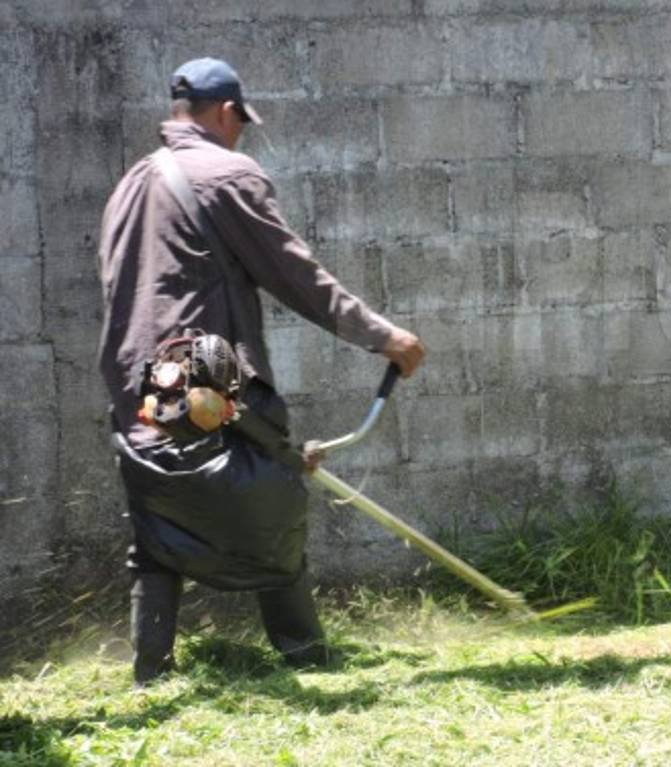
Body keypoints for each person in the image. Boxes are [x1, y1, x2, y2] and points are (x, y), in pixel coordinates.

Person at [97, 57, 425, 685]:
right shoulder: (226, 174)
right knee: (273, 497)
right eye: (240, 122)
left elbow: (117, 291)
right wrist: (383, 337)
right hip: (203, 377)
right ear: (226, 114)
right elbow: (295, 274)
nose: (242, 133)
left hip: (139, 380)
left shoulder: (130, 185)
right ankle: (305, 657)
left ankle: (150, 676)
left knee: (158, 518)